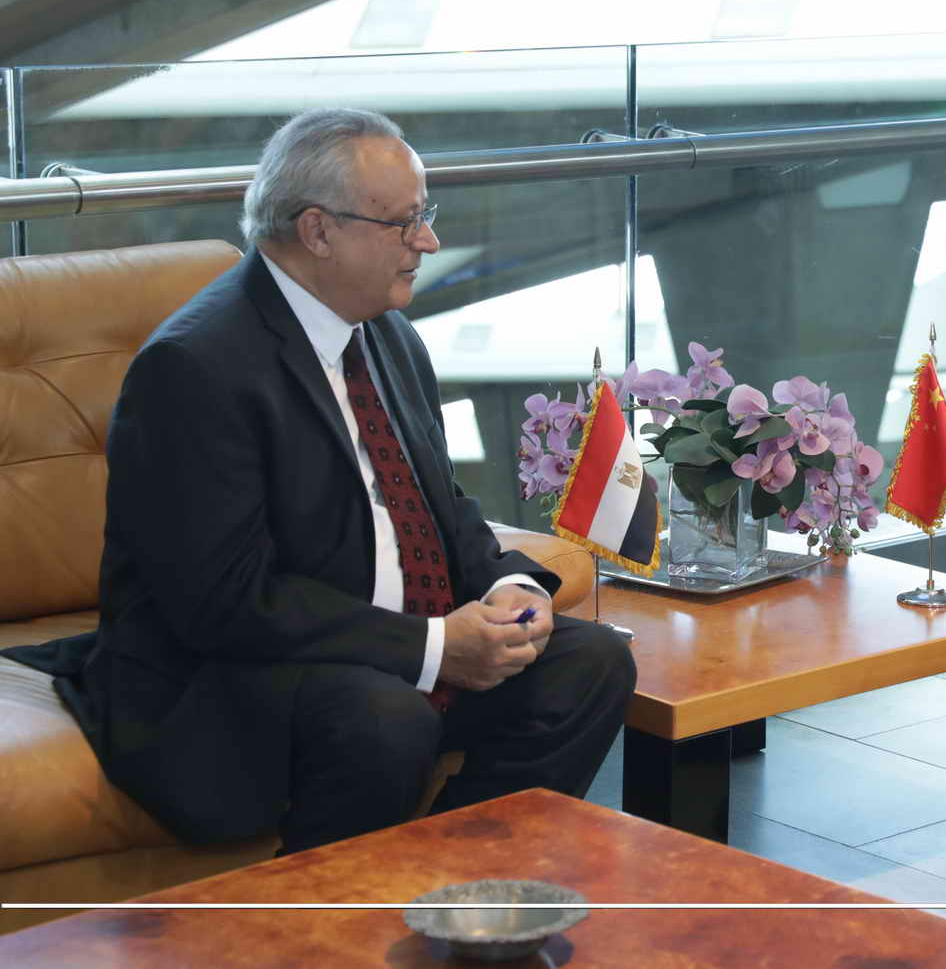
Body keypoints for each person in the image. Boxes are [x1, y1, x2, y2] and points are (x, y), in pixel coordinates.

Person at [6, 108, 635, 855]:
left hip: (383, 647)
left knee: (592, 662)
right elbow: (224, 601)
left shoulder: (387, 333)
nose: (427, 242)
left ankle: (454, 883)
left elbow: (437, 503)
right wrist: (432, 647)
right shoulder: (195, 367)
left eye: (426, 216)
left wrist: (511, 587)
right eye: (403, 223)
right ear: (317, 231)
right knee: (385, 717)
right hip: (231, 673)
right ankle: (339, 912)